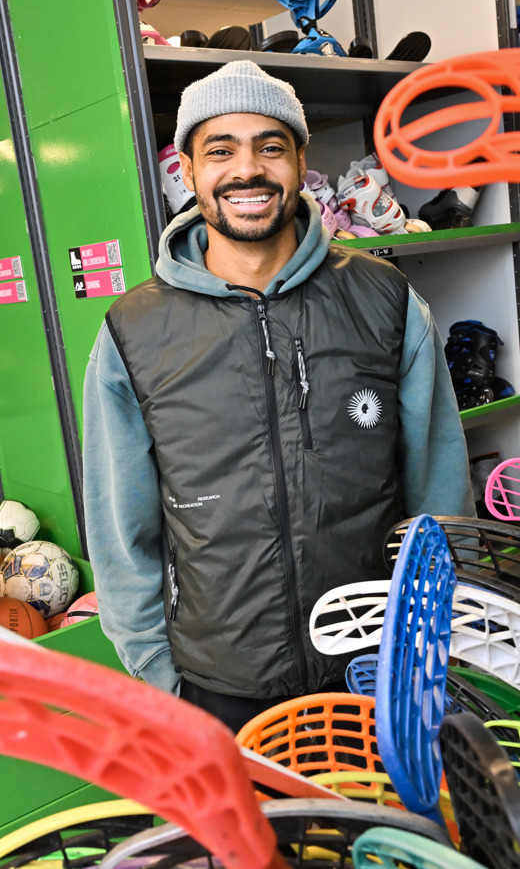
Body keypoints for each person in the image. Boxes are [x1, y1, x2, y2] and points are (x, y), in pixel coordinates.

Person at [82, 59, 472, 732]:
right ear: (189, 169)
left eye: (270, 146)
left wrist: (431, 643)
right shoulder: (134, 333)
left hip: (374, 666)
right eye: (221, 150)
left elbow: (439, 494)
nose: (248, 170)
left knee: (391, 839)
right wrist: (161, 679)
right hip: (219, 688)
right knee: (254, 844)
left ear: (299, 159)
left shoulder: (386, 302)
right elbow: (122, 537)